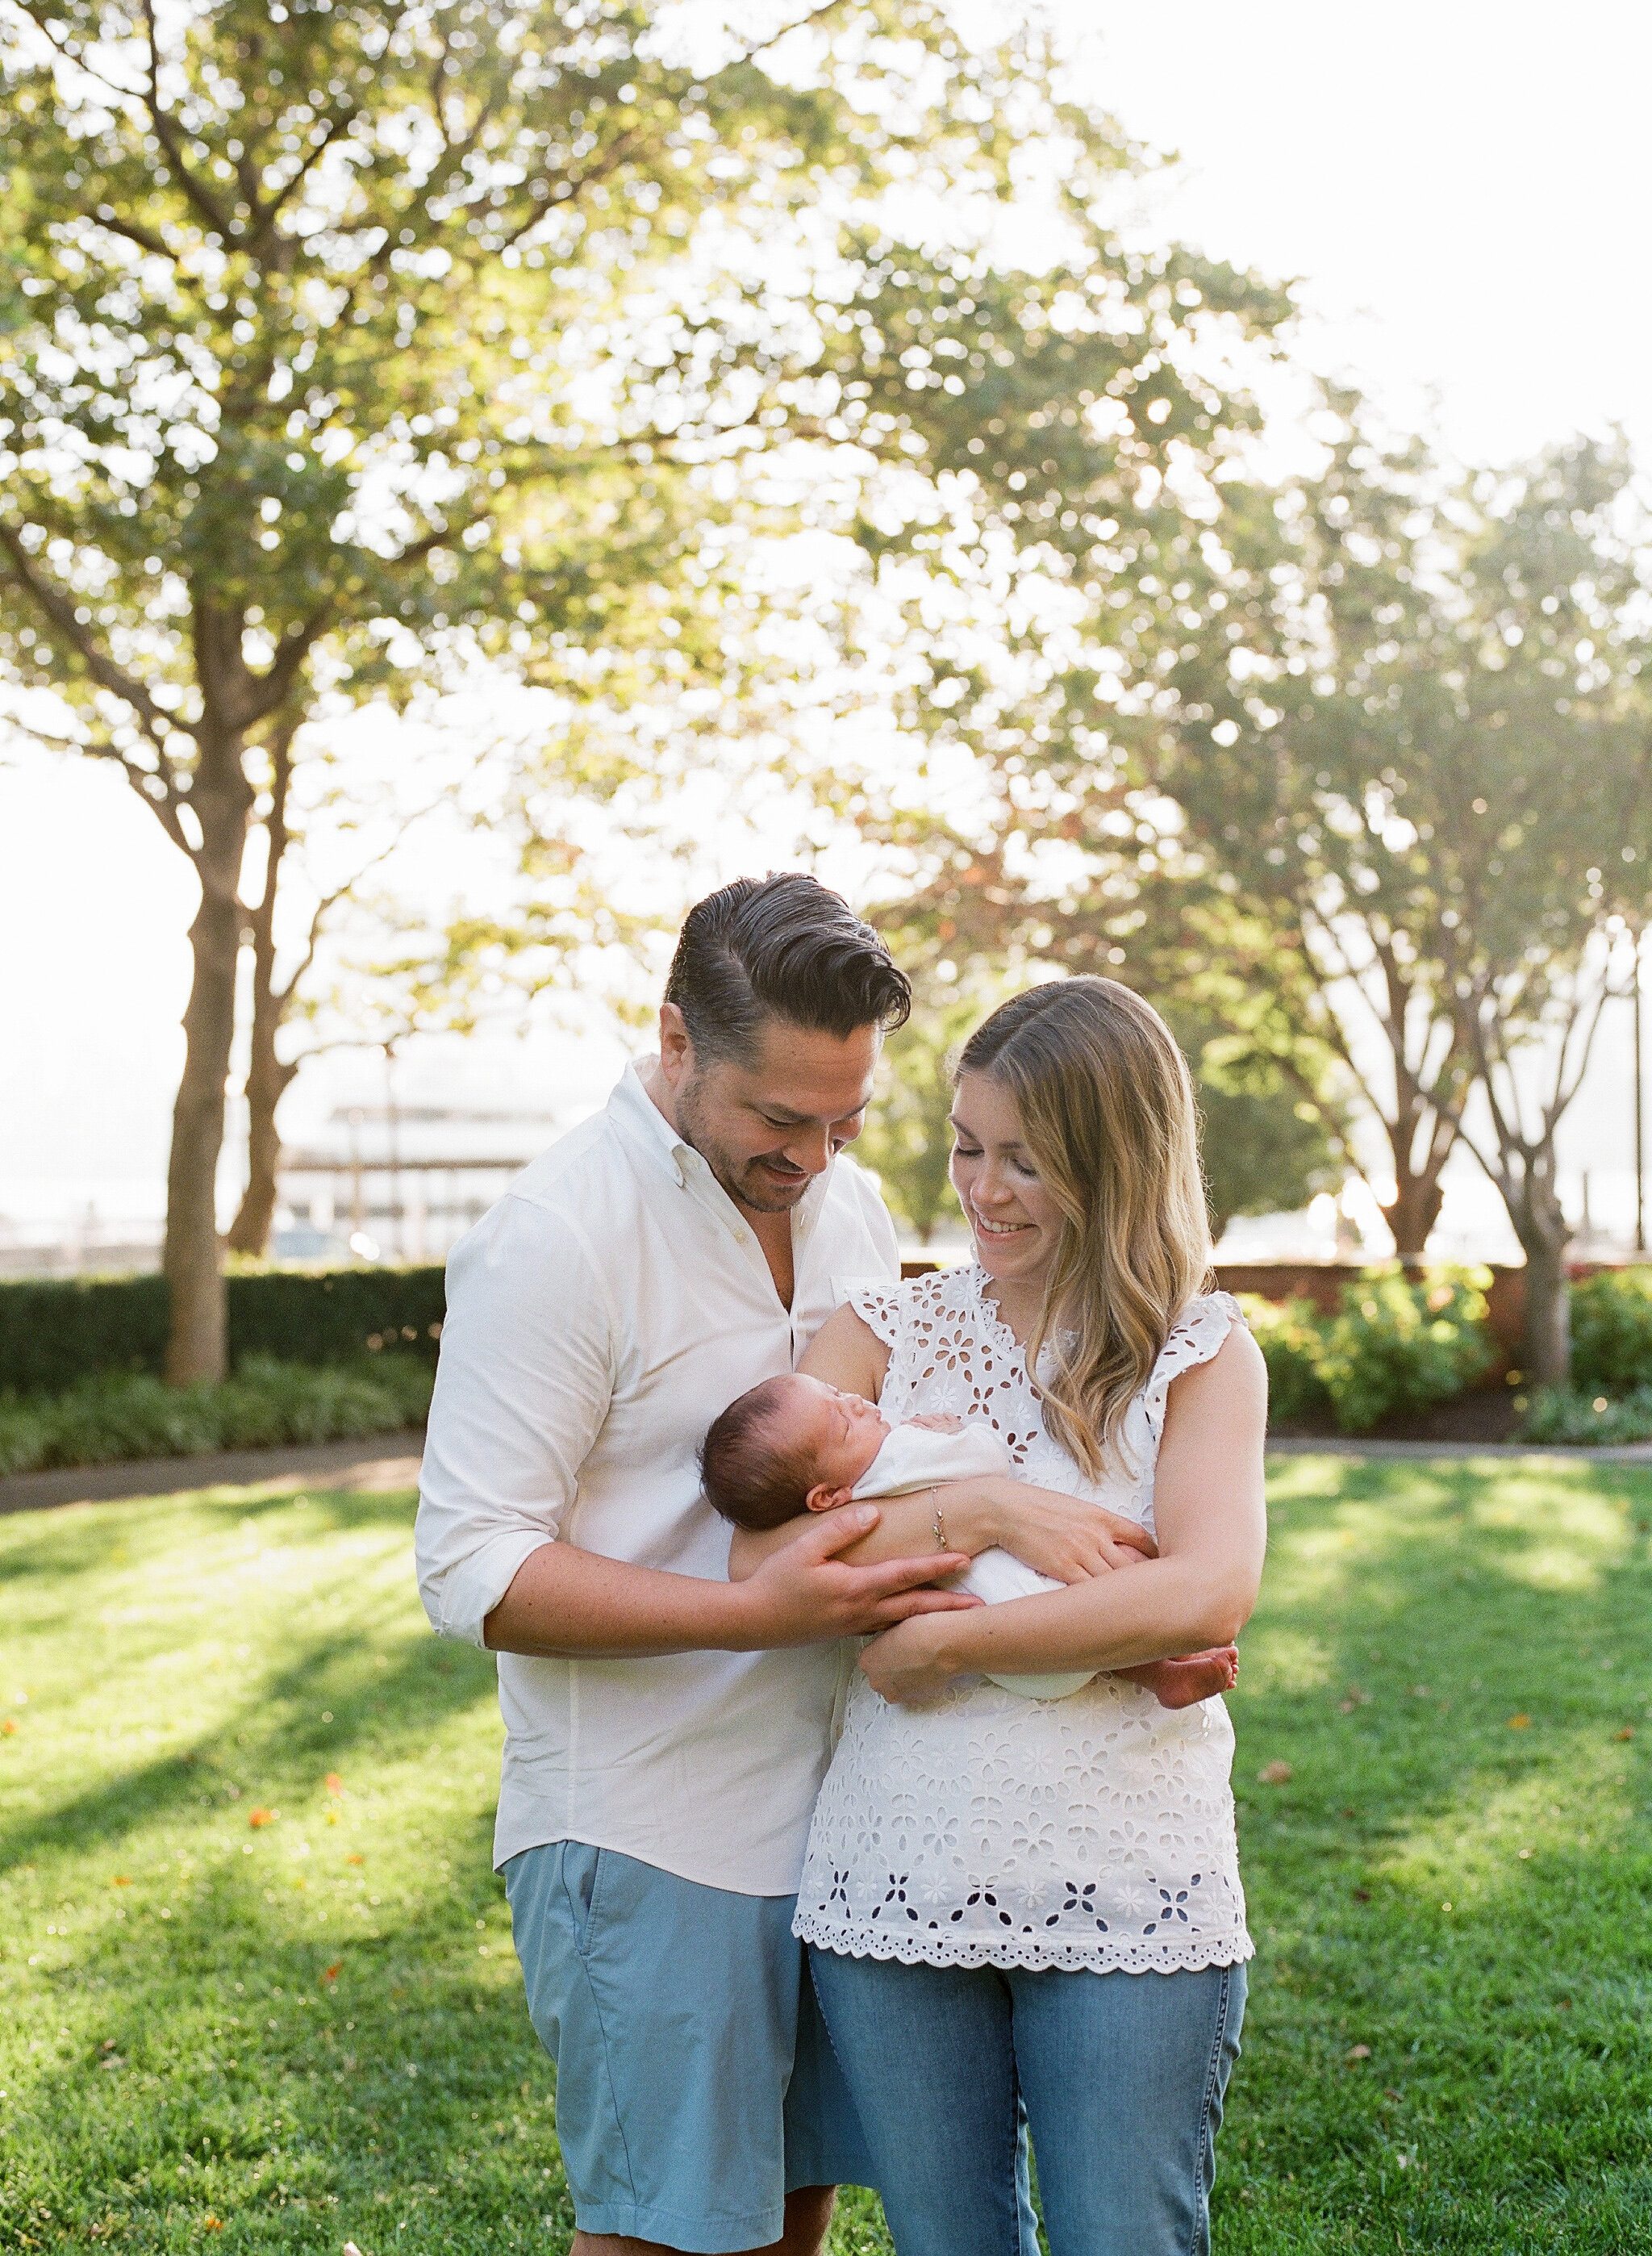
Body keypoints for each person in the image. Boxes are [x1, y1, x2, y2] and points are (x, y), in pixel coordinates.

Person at [412, 877, 1158, 2256]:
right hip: (648, 1833)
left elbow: (909, 1461)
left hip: (844, 1821)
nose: (813, 1155)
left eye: (846, 1117)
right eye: (778, 1118)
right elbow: (471, 1566)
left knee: (784, 2226)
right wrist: (751, 1612)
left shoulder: (849, 1209)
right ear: (677, 1041)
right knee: (658, 2238)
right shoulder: (558, 1235)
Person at [785, 977, 1269, 2256]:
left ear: (1116, 1163)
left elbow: (1209, 1587)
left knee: (1125, 2238)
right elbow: (776, 1552)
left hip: (1130, 1872)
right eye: (964, 1145)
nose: (980, 1190)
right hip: (898, 1871)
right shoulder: (884, 1331)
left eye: (1025, 1161)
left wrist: (947, 1640)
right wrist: (991, 1513)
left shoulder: (1201, 1349)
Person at [699, 1372, 1238, 1706]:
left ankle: (1159, 1675)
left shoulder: (848, 1507)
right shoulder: (895, 1460)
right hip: (1031, 1607)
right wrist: (947, 1433)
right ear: (826, 1497)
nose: (861, 1406)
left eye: (843, 1396)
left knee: (1094, 1629)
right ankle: (1162, 1662)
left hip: (999, 1654)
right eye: (844, 1422)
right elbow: (986, 1461)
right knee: (1113, 1559)